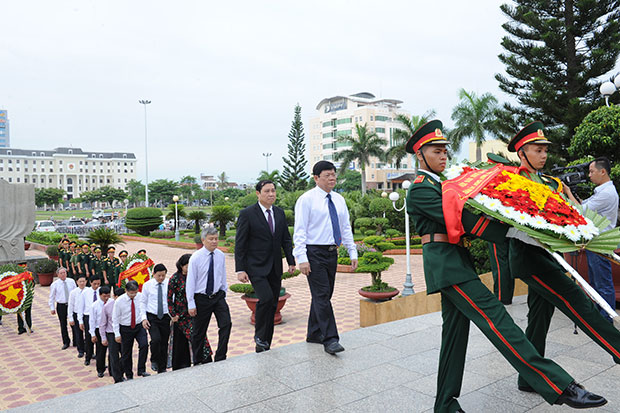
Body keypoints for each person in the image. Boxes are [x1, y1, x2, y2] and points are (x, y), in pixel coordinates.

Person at [406, 119, 606, 411]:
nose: (443, 155)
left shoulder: (445, 182)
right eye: (435, 150)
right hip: (445, 265)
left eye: (444, 150)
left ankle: (445, 405)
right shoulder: (420, 189)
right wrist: (516, 229)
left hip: (457, 261)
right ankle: (559, 385)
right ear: (419, 155)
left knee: (454, 336)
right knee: (497, 320)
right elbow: (463, 219)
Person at [507, 121, 620, 393]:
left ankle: (528, 377)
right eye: (538, 150)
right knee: (576, 300)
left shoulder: (549, 182)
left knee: (539, 316)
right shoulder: (511, 181)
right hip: (528, 256)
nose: (544, 154)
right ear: (522, 153)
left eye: (546, 149)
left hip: (549, 254)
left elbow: (567, 213)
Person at [293, 160, 357, 355]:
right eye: (327, 175)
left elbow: (345, 227)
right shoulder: (306, 199)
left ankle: (314, 333)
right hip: (313, 253)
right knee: (322, 296)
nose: (332, 178)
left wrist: (352, 251)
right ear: (316, 178)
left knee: (324, 295)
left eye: (333, 174)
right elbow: (300, 231)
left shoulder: (338, 199)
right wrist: (301, 258)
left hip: (331, 252)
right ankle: (330, 339)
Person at [235, 180, 296, 352]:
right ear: (258, 193)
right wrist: (240, 269)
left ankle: (265, 342)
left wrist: (291, 261)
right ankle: (260, 336)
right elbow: (241, 243)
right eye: (267, 191)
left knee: (273, 303)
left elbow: (285, 239)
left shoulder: (279, 213)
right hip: (256, 267)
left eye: (273, 191)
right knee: (266, 298)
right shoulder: (247, 214)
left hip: (275, 267)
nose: (271, 194)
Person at [573, 157, 618, 322]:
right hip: (595, 242)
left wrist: (568, 192)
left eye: (592, 171)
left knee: (602, 283)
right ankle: (601, 316)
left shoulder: (606, 193)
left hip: (600, 242)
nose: (589, 175)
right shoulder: (601, 191)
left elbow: (581, 211)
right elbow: (585, 205)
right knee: (596, 282)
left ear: (603, 171)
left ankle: (606, 319)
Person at [187, 226, 231, 363]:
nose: (214, 242)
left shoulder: (220, 255)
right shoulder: (196, 257)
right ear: (203, 240)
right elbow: (191, 281)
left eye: (216, 239)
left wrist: (224, 291)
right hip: (201, 298)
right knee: (199, 332)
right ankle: (198, 360)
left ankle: (221, 356)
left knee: (226, 324)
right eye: (211, 239)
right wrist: (191, 303)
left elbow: (222, 274)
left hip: (218, 296)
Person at [168, 254, 213, 370]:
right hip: (180, 315)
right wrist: (173, 314)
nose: (189, 269)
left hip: (194, 313)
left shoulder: (195, 277)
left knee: (199, 336)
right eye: (187, 266)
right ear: (181, 266)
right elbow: (169, 297)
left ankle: (205, 360)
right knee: (180, 342)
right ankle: (181, 366)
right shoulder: (175, 278)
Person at [485, 153, 516, 305]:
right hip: (511, 226)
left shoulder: (493, 182)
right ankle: (507, 295)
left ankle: (501, 297)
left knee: (499, 262)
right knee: (507, 262)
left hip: (496, 226)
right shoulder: (510, 180)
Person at [112, 280, 150, 379]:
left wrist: (144, 319)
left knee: (144, 345)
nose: (133, 295)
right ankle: (129, 374)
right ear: (126, 291)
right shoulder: (119, 301)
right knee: (126, 353)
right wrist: (117, 333)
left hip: (139, 325)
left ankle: (141, 369)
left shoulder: (140, 296)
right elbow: (115, 318)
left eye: (135, 293)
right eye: (131, 293)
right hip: (125, 328)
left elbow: (142, 309)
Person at [140, 264, 171, 374]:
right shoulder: (147, 285)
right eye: (159, 276)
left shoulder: (169, 283)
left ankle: (162, 367)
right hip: (152, 316)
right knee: (156, 340)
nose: (161, 278)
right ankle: (154, 359)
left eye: (163, 275)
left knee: (164, 342)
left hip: (166, 317)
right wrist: (144, 318)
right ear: (153, 274)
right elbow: (143, 302)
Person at [48, 267, 76, 349]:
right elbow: (51, 297)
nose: (63, 274)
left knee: (74, 323)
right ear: (58, 274)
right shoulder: (55, 284)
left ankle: (76, 341)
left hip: (71, 305)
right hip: (61, 305)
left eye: (64, 272)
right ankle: (66, 342)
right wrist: (52, 307)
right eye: (61, 273)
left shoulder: (71, 281)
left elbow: (75, 293)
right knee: (63, 324)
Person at [100, 287, 124, 383]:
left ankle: (122, 373)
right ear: (114, 296)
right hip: (111, 333)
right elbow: (102, 323)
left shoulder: (126, 305)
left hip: (123, 332)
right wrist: (103, 337)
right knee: (114, 356)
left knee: (124, 354)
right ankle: (117, 378)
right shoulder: (107, 307)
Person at [78, 275, 101, 366]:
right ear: (90, 283)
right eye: (94, 284)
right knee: (88, 338)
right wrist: (80, 321)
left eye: (98, 284)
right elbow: (80, 307)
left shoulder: (101, 291)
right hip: (88, 317)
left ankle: (99, 359)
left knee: (99, 338)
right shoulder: (85, 292)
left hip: (99, 318)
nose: (96, 286)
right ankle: (88, 356)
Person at [89, 286, 111, 378]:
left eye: (108, 296)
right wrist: (93, 334)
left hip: (109, 329)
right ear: (100, 295)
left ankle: (112, 369)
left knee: (112, 351)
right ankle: (100, 369)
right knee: (100, 351)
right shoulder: (95, 305)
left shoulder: (112, 303)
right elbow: (92, 320)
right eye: (104, 296)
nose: (106, 298)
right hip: (99, 329)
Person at [68, 274, 87, 357]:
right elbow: (71, 305)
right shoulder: (73, 292)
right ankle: (80, 350)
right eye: (80, 281)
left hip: (86, 314)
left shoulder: (89, 291)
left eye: (83, 281)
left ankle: (89, 350)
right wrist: (71, 318)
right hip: (76, 314)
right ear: (77, 282)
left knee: (88, 333)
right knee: (78, 333)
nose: (82, 283)